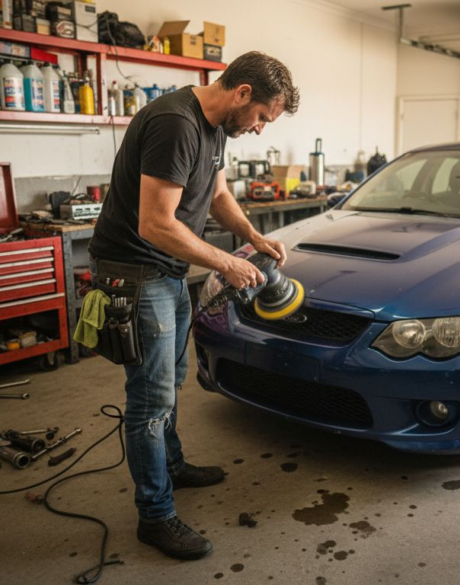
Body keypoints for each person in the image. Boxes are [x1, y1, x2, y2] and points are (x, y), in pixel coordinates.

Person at [88, 51, 300, 560]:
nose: (259, 130)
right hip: (136, 274)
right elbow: (155, 224)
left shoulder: (214, 128)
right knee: (149, 399)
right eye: (262, 119)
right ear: (242, 93)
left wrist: (250, 234)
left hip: (168, 271)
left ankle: (173, 466)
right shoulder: (175, 123)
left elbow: (217, 190)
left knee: (171, 380)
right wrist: (227, 263)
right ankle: (155, 516)